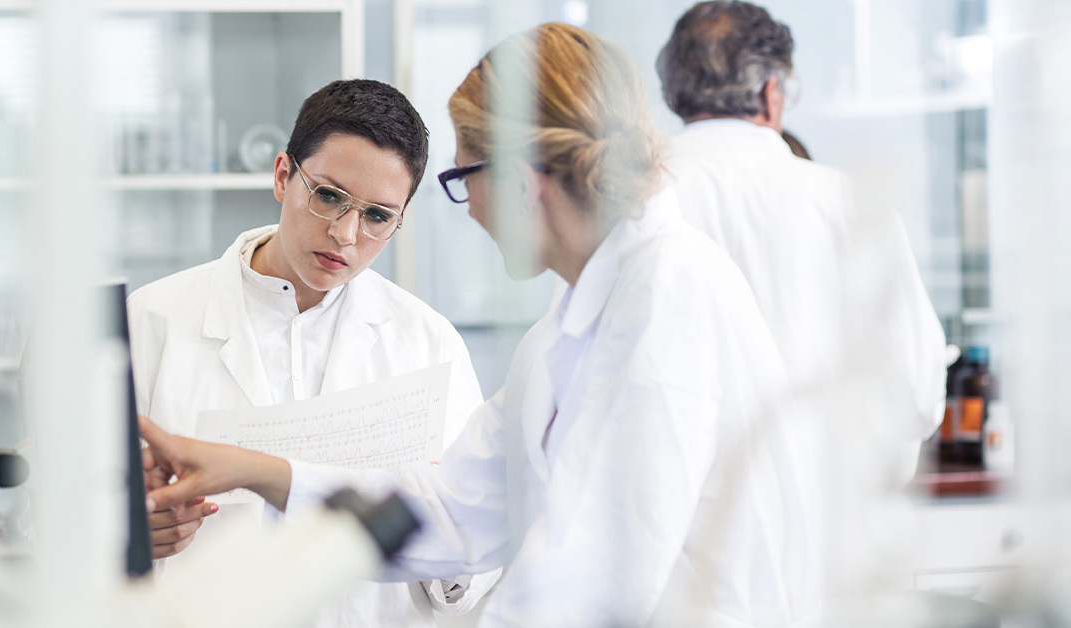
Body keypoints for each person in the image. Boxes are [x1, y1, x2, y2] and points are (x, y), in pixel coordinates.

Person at [141, 22, 818, 626]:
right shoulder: (570, 325)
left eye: (464, 178)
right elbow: (450, 507)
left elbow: (591, 581)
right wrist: (257, 470)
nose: (467, 211)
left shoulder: (670, 298)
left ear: (524, 184)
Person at [126, 79, 498, 626]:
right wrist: (133, 529)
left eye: (376, 216)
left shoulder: (428, 341)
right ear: (283, 175)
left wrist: (437, 523)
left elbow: (477, 552)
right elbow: (57, 512)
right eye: (328, 196)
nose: (345, 234)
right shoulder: (151, 321)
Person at [655, 1, 948, 471]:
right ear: (773, 92)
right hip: (822, 515)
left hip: (680, 521)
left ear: (675, 93)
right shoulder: (845, 202)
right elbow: (915, 392)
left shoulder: (633, 200)